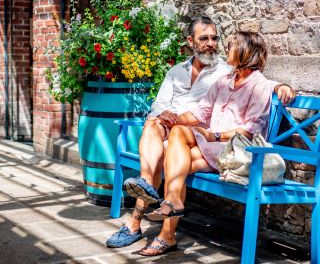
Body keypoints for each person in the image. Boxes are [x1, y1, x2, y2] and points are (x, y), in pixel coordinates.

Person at [105, 17, 295, 249]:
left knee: (171, 156)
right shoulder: (197, 75)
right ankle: (166, 225)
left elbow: (255, 108)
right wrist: (166, 119)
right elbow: (199, 112)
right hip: (203, 142)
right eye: (205, 38)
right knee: (162, 131)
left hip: (231, 147)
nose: (215, 45)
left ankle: (146, 222)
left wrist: (280, 86)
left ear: (245, 53)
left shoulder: (235, 76)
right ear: (190, 41)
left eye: (217, 39)